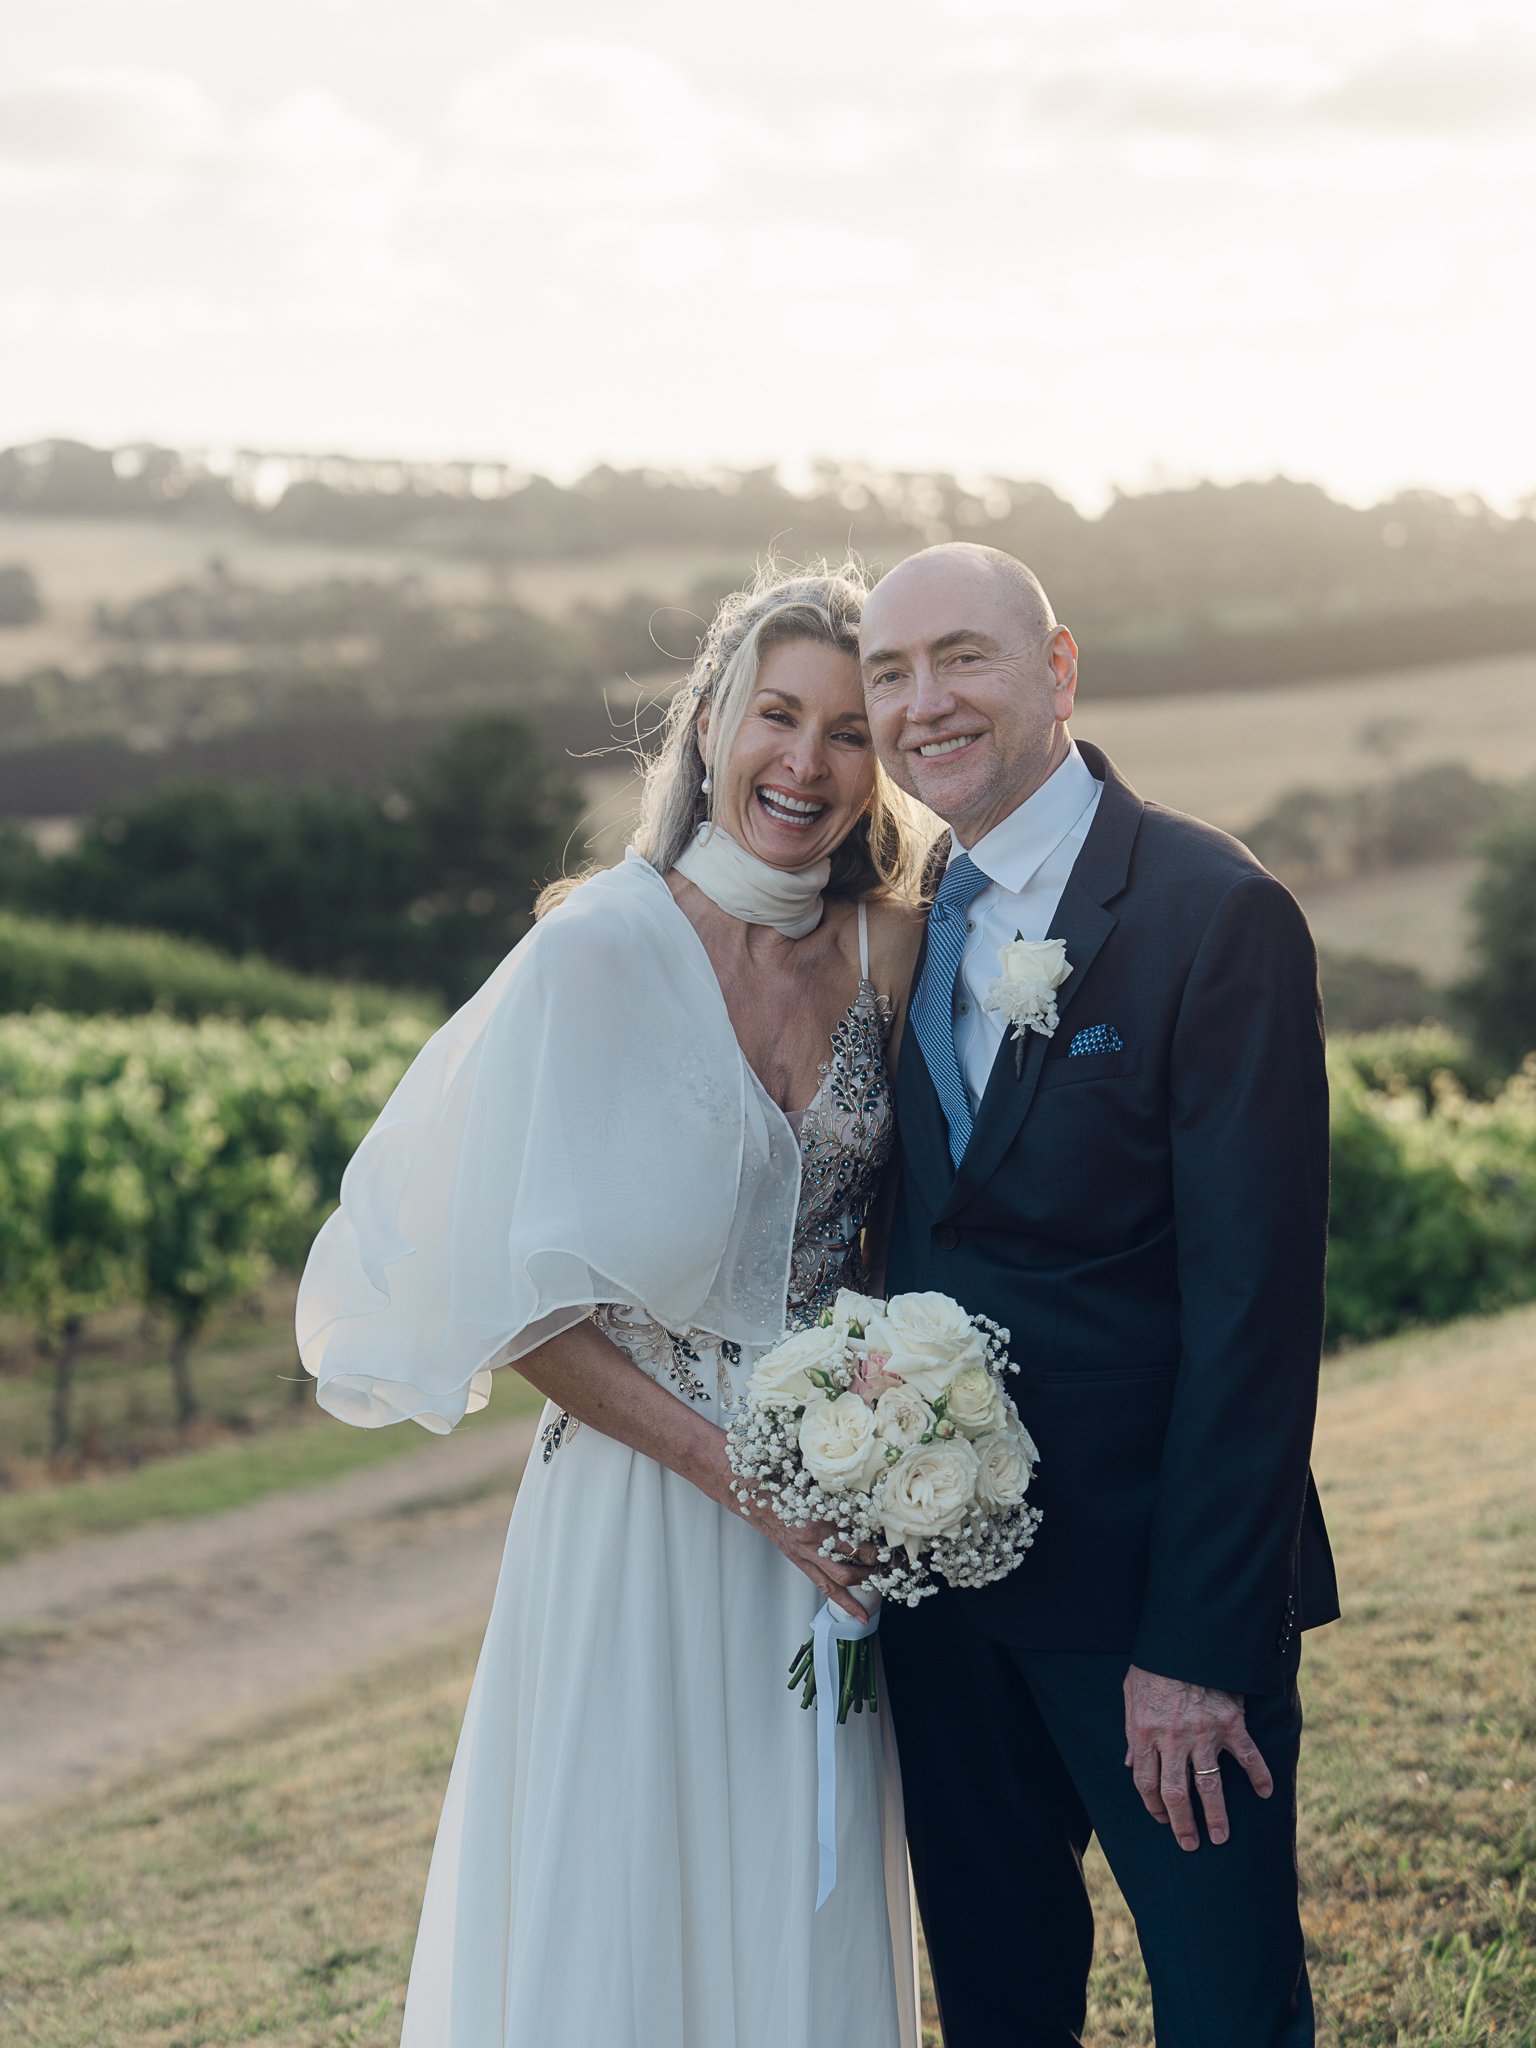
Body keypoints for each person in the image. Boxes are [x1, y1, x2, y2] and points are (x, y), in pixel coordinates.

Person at [296, 566, 927, 2048]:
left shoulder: (891, 952)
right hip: (645, 1511)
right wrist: (742, 1477)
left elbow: (897, 1239)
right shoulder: (594, 950)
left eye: (849, 732)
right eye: (777, 715)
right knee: (625, 1895)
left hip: (832, 1513)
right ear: (707, 724)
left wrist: (884, 1429)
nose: (807, 763)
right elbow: (522, 1310)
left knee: (803, 1893)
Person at [859, 543, 1339, 2048]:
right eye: (890, 673)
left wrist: (1196, 1649)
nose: (922, 702)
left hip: (1154, 1608)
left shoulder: (1213, 913)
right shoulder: (899, 914)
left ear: (1058, 670)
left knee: (1224, 2011)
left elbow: (1257, 1315)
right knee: (1000, 2012)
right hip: (946, 1610)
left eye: (963, 658)